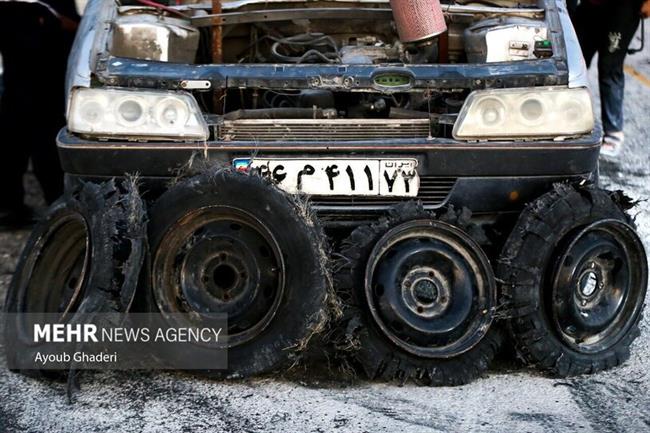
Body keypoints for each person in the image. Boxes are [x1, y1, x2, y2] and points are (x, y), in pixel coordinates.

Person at [0, 0, 80, 229]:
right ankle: (45, 209)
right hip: (32, 87)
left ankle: (24, 208)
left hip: (38, 87)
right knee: (28, 145)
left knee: (25, 145)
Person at [571, 0, 650, 157]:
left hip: (623, 8)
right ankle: (567, 118)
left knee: (609, 66)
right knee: (574, 60)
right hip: (591, 5)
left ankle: (613, 132)